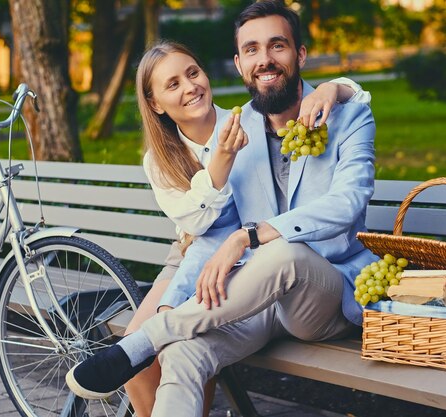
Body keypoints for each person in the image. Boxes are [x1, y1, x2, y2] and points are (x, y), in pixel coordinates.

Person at [66, 1, 377, 415]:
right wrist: (177, 295)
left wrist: (250, 236)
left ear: (300, 54)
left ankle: (147, 338)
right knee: (183, 355)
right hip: (257, 299)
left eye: (277, 46)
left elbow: (348, 202)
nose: (264, 59)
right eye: (251, 49)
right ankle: (161, 337)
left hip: (322, 296)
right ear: (238, 63)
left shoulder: (349, 116)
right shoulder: (232, 131)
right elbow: (211, 232)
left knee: (281, 252)